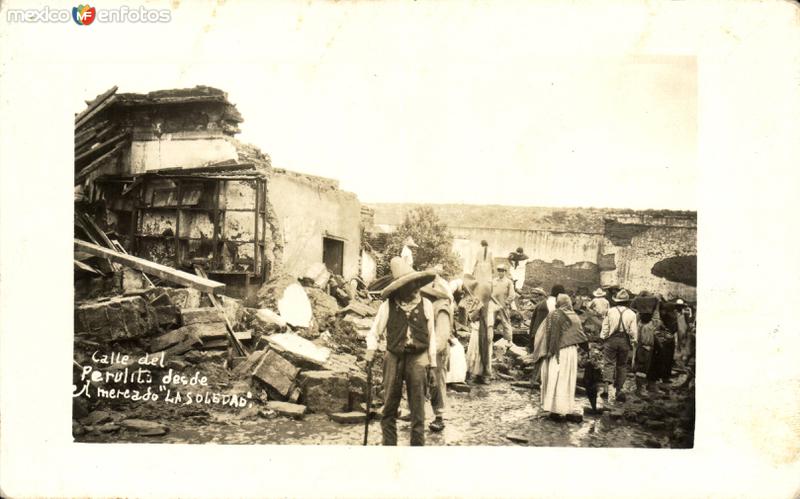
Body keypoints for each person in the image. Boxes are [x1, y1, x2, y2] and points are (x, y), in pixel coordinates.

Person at [365, 257, 437, 446]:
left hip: (419, 357)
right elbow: (374, 332)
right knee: (389, 407)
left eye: (416, 284)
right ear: (400, 288)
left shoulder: (426, 305)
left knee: (418, 409)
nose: (414, 289)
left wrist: (433, 365)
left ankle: (416, 450)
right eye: (409, 285)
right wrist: (371, 350)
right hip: (394, 356)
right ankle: (390, 450)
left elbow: (432, 337)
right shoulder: (387, 306)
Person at [539, 294, 588, 417]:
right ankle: (564, 407)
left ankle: (553, 408)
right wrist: (587, 353)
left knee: (555, 377)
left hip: (557, 352)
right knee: (566, 379)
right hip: (571, 351)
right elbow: (581, 337)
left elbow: (550, 335)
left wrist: (547, 351)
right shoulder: (575, 316)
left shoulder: (555, 315)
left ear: (559, 303)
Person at [419, 275, 455, 433]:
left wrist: (431, 354)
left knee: (437, 383)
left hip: (437, 352)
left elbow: (442, 336)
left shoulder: (441, 308)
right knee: (419, 380)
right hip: (425, 348)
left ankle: (439, 416)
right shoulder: (427, 305)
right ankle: (416, 411)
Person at [600, 289, 638, 403]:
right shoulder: (632, 314)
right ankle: (619, 390)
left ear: (616, 301)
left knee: (608, 363)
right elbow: (633, 332)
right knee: (622, 365)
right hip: (624, 341)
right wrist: (633, 342)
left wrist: (603, 338)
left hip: (611, 340)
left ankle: (606, 389)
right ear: (627, 302)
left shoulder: (610, 311)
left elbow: (605, 328)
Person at [529, 284, 566, 386]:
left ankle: (534, 379)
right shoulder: (556, 305)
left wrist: (531, 336)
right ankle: (543, 380)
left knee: (538, 356)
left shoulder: (542, 303)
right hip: (546, 333)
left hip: (536, 333)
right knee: (548, 355)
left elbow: (532, 322)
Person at [464, 279, 497, 384]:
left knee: (485, 351)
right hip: (476, 329)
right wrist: (478, 308)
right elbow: (470, 317)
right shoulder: (476, 302)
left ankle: (484, 374)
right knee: (475, 350)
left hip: (486, 330)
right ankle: (472, 373)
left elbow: (490, 320)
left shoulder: (490, 304)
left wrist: (490, 331)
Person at [634, 312, 658, 397]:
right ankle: (640, 389)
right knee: (641, 368)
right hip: (643, 348)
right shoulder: (643, 325)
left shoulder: (648, 323)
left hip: (647, 347)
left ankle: (643, 387)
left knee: (646, 368)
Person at [491, 264, 516, 342]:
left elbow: (512, 295)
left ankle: (508, 341)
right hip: (494, 305)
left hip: (503, 305)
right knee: (491, 322)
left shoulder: (509, 282)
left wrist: (506, 303)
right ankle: (489, 340)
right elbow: (490, 292)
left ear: (505, 272)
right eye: (499, 271)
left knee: (505, 323)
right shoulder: (494, 280)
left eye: (502, 271)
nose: (500, 273)